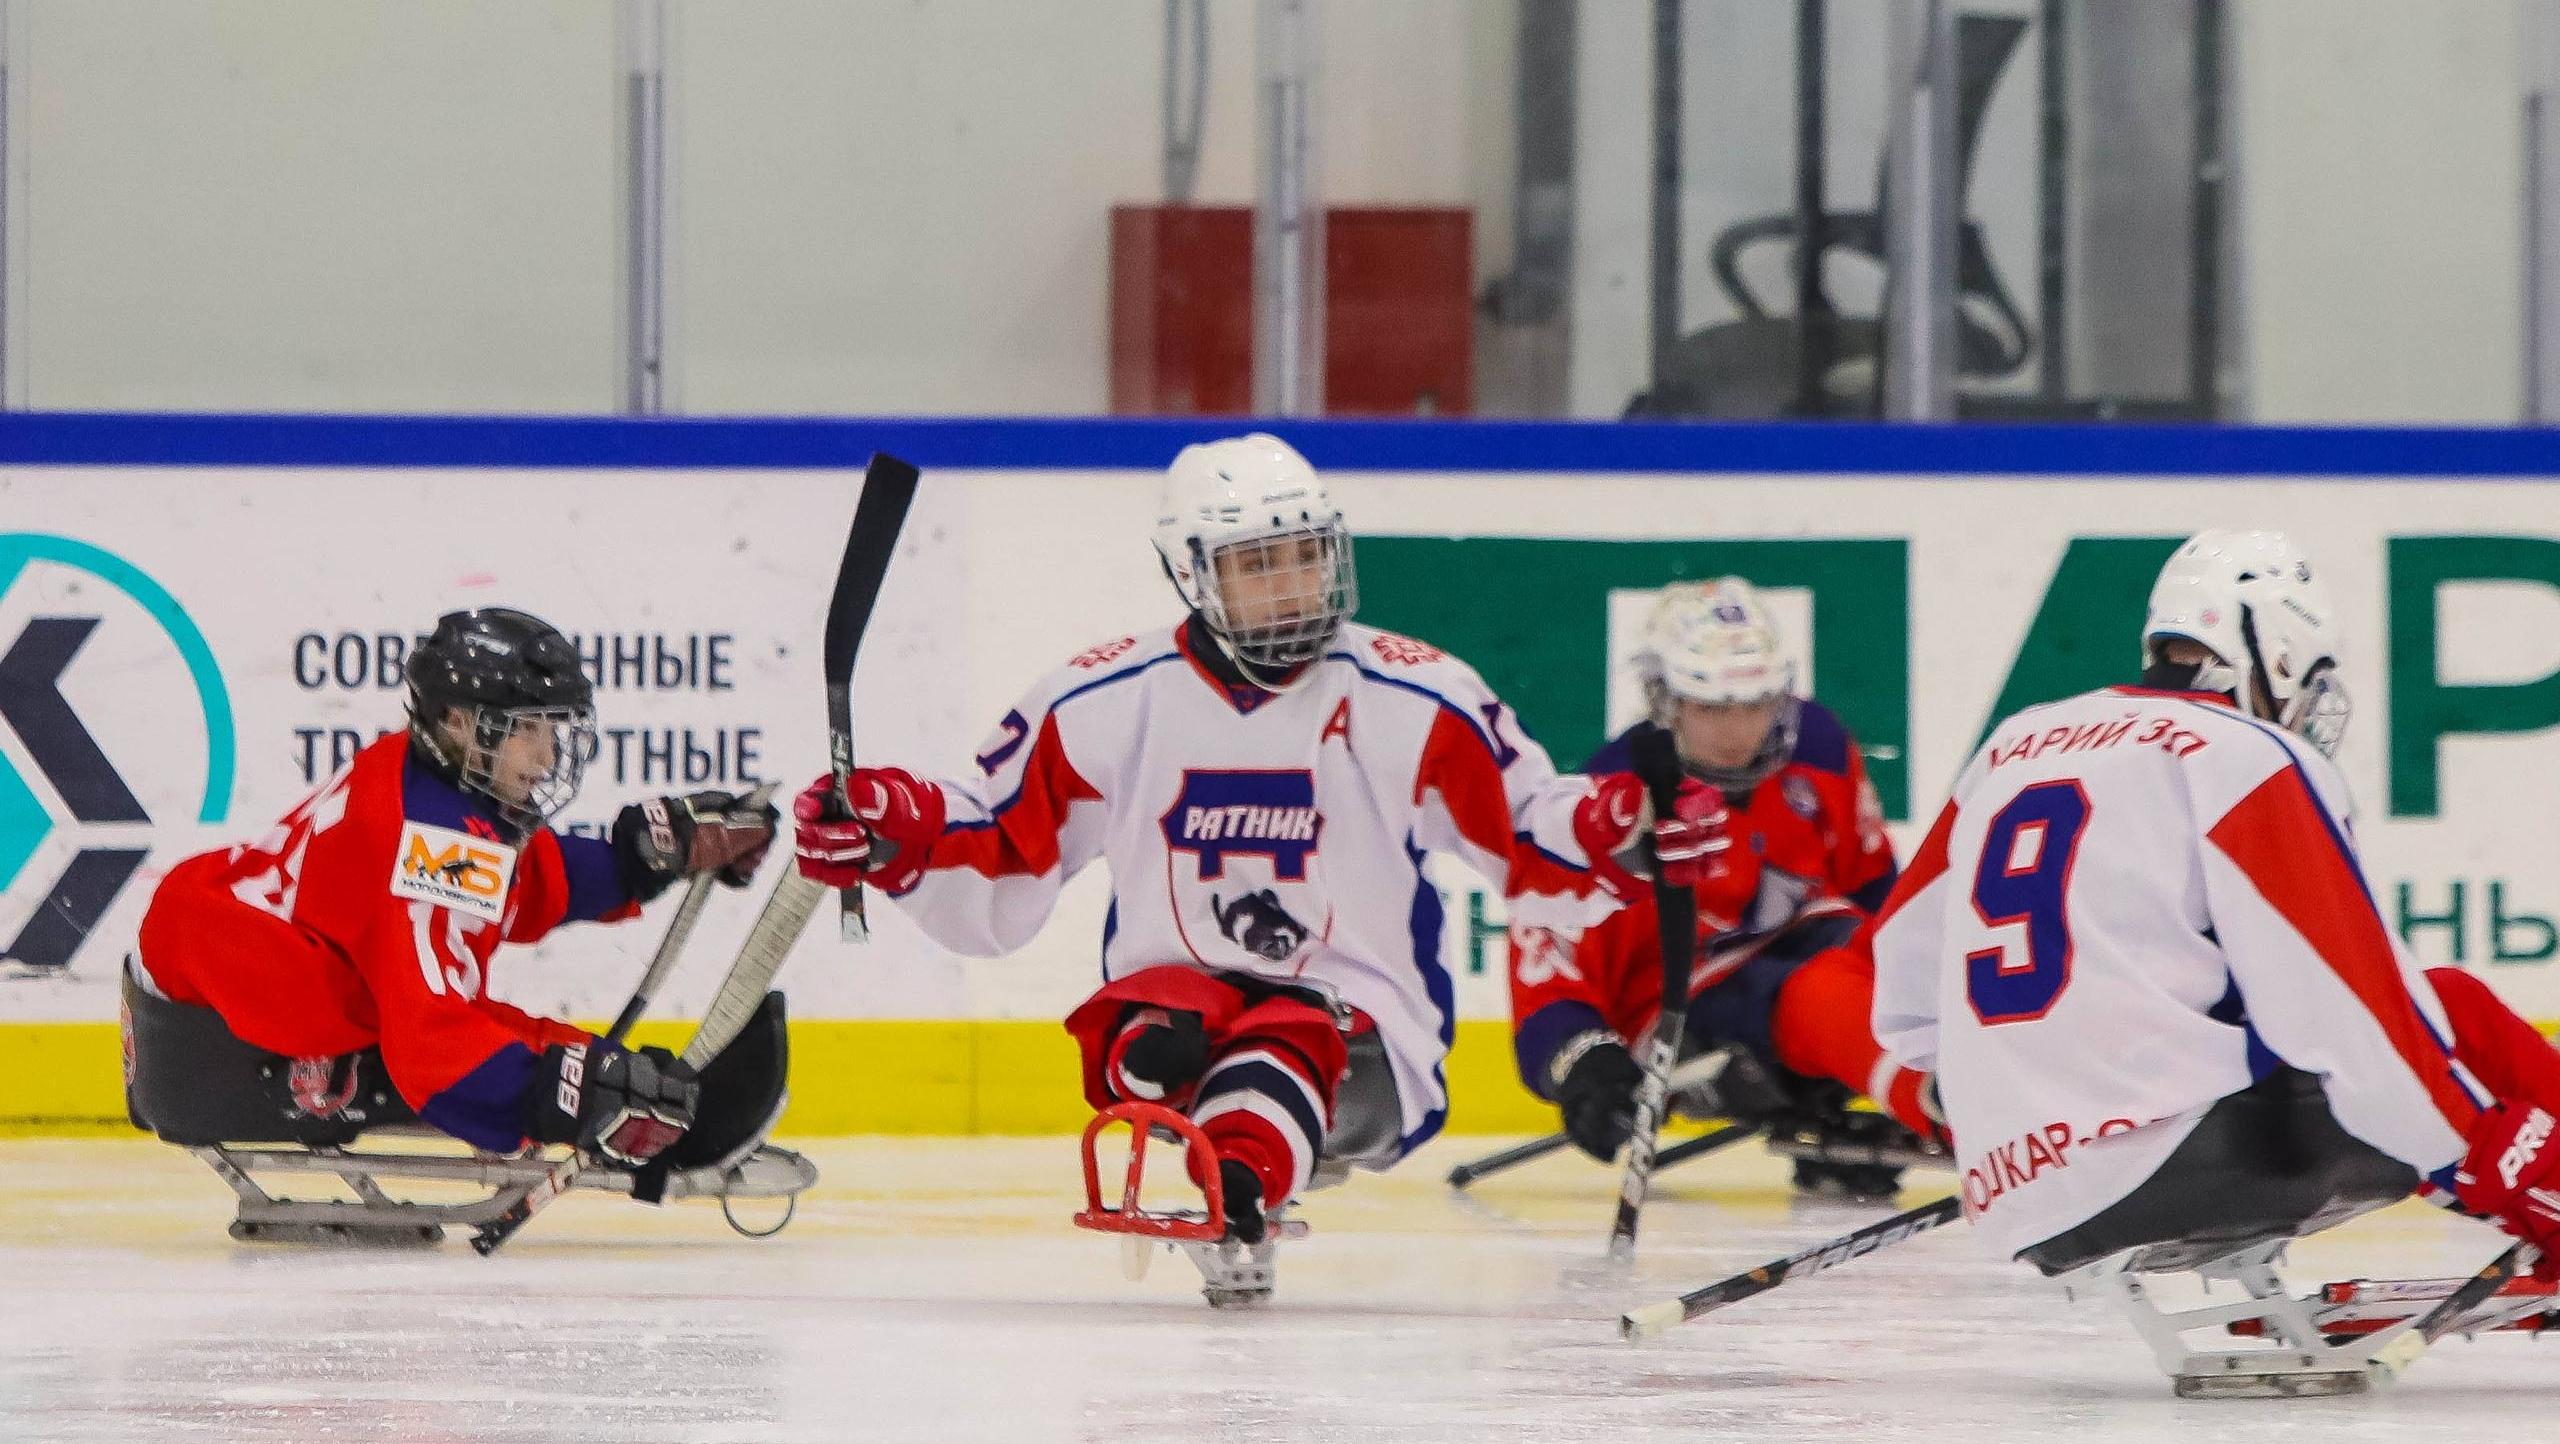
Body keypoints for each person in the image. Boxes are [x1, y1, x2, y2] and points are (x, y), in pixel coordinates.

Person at [790, 433, 1721, 1243]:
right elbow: (998, 839)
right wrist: (892, 828)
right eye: (1257, 564)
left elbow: (1526, 826)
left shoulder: (1415, 698)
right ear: (1195, 572)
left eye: (1304, 557)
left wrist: (1625, 824)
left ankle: (1241, 1171)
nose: (1290, 588)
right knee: (1149, 1044)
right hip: (1179, 1023)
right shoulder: (1102, 703)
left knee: (1279, 1045)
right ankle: (1235, 1154)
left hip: (1366, 1042)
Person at [1870, 529, 2560, 1278]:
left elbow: (1905, 988)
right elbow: (2351, 1010)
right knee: (2444, 1010)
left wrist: (2008, 1119)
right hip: (2194, 1161)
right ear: (2280, 653)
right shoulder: (2245, 755)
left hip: (2014, 1197)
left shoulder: (2012, 745)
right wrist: (2482, 1159)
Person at [134, 608, 779, 1168]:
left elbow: (511, 886)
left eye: (552, 731)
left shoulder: (431, 783)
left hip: (216, 938)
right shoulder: (429, 844)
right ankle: (648, 1108)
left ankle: (649, 1100)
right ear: (462, 723)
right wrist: (568, 1094)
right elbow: (432, 1045)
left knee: (515, 1049)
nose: (549, 757)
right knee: (472, 1039)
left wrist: (635, 862)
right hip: (213, 1003)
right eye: (530, 730)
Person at [1509, 578, 1934, 1197]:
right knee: (1816, 989)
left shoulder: (1819, 745)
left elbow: (1877, 896)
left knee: (1875, 955)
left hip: (1802, 952)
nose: (1739, 730)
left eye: (1756, 703)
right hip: (1682, 1012)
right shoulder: (1605, 807)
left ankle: (1908, 1075)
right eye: (1712, 708)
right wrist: (1583, 1064)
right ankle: (1944, 1105)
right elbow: (1546, 983)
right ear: (1665, 701)